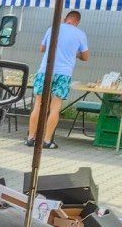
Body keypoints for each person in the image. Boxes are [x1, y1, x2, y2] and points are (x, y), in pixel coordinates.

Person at [27, 10, 90, 149]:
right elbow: (86, 57)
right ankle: (47, 140)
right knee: (54, 108)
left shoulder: (52, 28)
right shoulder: (80, 34)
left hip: (45, 70)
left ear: (65, 19)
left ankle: (31, 138)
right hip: (63, 74)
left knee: (38, 105)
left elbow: (42, 48)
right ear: (77, 22)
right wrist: (75, 54)